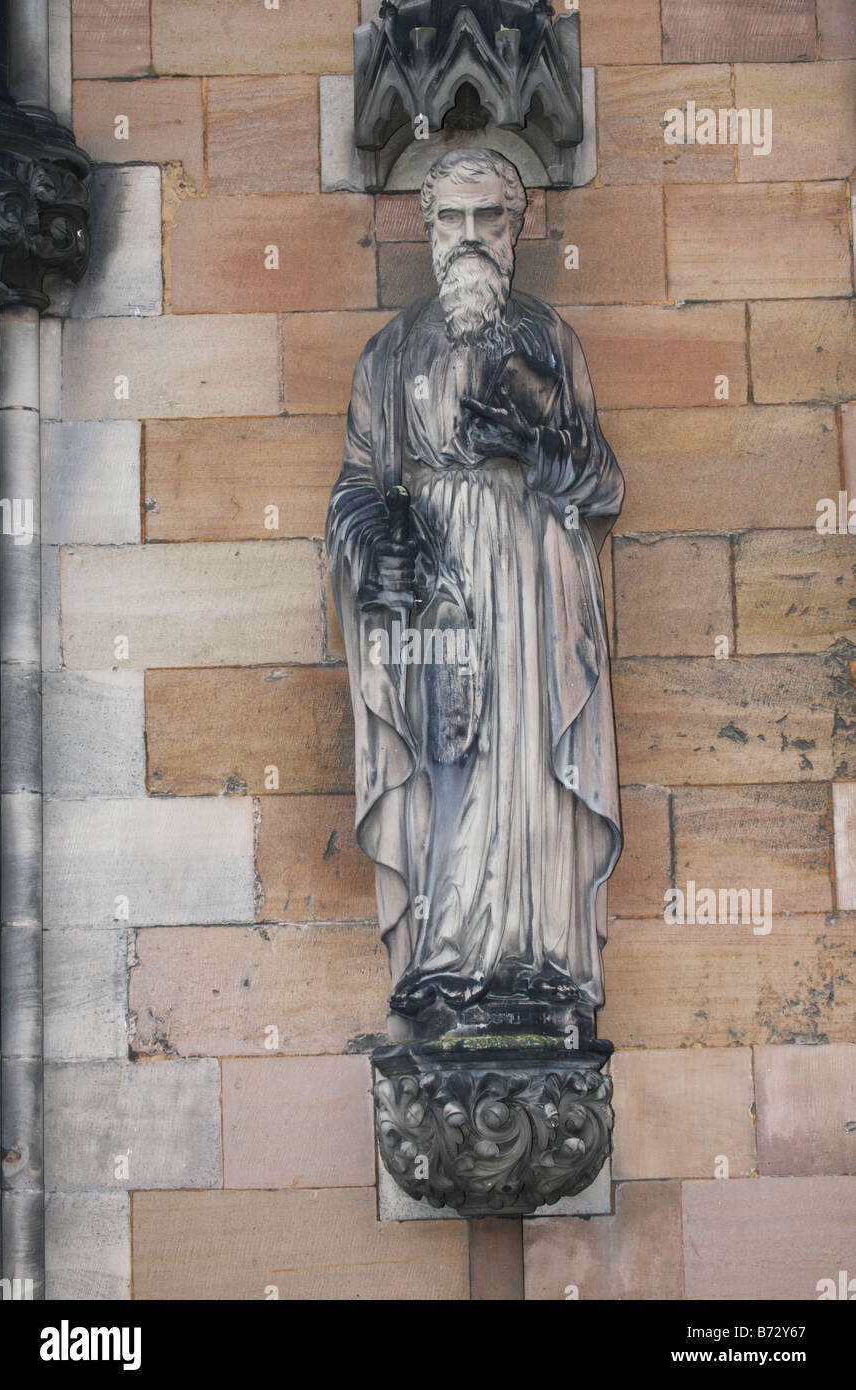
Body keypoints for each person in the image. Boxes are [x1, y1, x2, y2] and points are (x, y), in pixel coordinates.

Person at [327, 147, 623, 1042]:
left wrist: (538, 433)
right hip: (437, 592)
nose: (468, 239)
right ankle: (447, 955)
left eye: (487, 219)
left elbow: (602, 484)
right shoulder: (389, 353)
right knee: (451, 759)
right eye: (450, 219)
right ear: (427, 227)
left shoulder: (548, 339)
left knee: (526, 758)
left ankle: (537, 954)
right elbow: (355, 487)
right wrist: (379, 547)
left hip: (533, 581)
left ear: (515, 227)